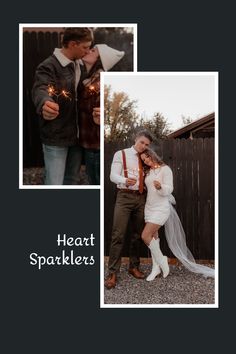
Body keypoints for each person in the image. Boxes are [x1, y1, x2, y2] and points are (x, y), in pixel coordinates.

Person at [140, 148, 215, 280]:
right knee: (153, 237)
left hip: (161, 208)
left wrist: (160, 187)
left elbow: (169, 188)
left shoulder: (165, 169)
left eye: (147, 157)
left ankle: (162, 260)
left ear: (152, 155)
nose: (146, 161)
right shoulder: (148, 171)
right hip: (149, 207)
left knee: (145, 235)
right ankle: (155, 268)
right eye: (143, 160)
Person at [32, 27, 93, 185]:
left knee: (71, 181)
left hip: (77, 137)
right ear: (73, 44)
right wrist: (45, 103)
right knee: (54, 183)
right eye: (85, 47)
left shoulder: (80, 64)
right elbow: (41, 88)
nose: (87, 51)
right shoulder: (48, 66)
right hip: (56, 136)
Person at [104, 130, 153, 290]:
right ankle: (112, 273)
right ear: (135, 140)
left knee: (137, 235)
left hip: (141, 198)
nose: (144, 146)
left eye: (147, 144)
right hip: (124, 197)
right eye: (142, 142)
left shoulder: (147, 158)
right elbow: (112, 176)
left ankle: (133, 266)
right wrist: (125, 180)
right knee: (117, 235)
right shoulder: (121, 154)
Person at [78, 44, 125, 185]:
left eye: (93, 51)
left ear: (100, 60)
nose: (88, 51)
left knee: (96, 183)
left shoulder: (98, 83)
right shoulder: (88, 79)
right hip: (90, 145)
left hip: (96, 146)